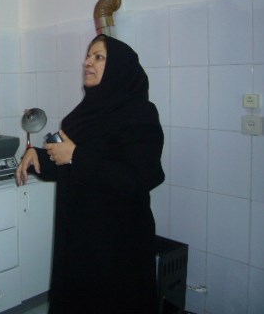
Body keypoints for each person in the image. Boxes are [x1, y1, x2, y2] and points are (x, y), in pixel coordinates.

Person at [16, 34, 164, 313]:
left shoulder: (140, 114)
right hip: (79, 236)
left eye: (98, 57)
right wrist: (40, 157)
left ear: (119, 68)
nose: (87, 62)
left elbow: (142, 176)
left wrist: (75, 156)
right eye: (88, 56)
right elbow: (69, 164)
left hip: (118, 241)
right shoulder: (83, 115)